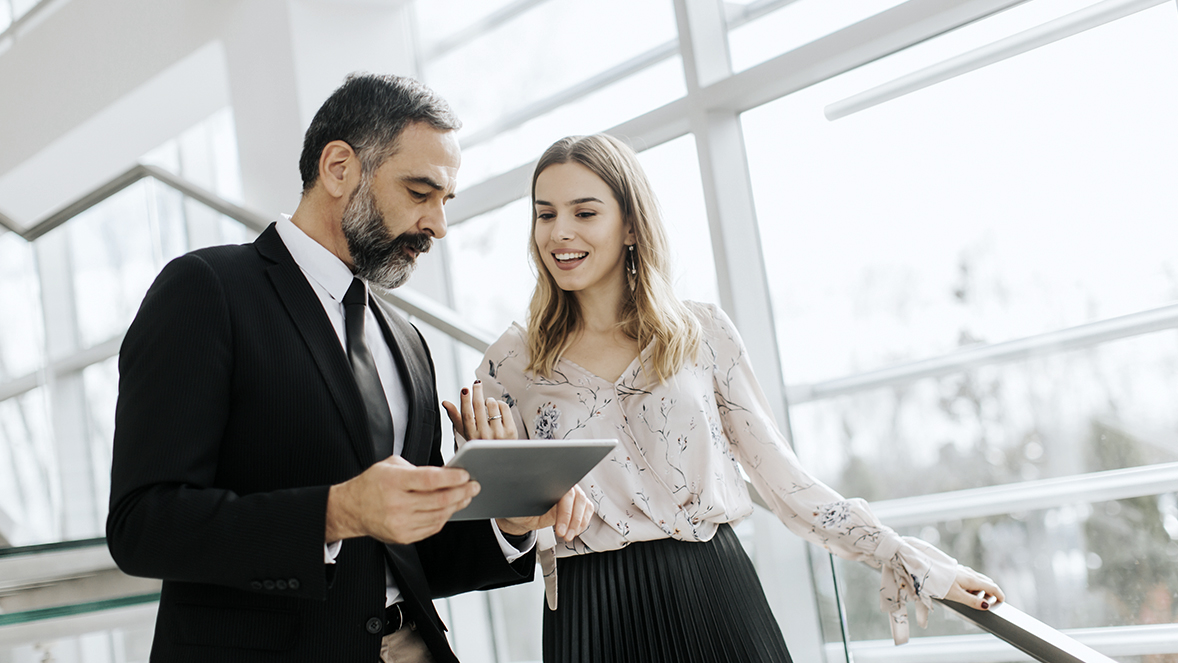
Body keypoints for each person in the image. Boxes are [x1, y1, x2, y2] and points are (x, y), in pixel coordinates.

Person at [462, 134, 1005, 663]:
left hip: (713, 592)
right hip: (590, 608)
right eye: (545, 213)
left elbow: (782, 478)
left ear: (629, 224)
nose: (559, 233)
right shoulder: (510, 362)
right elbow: (497, 524)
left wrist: (909, 559)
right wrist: (507, 499)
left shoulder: (701, 333)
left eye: (584, 213)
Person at [106, 73, 592, 663]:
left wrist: (509, 522)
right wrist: (337, 512)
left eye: (445, 201)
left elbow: (410, 550)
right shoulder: (206, 291)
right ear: (339, 168)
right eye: (420, 193)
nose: (439, 225)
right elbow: (144, 525)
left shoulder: (408, 341)